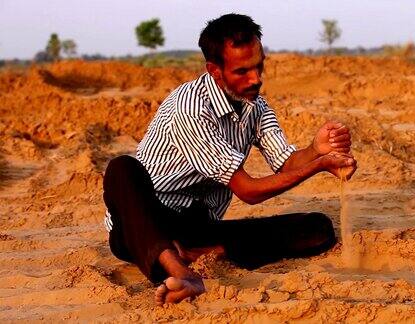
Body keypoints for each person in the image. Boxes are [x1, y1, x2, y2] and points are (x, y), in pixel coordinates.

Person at [102, 13, 357, 306]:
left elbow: (285, 163)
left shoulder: (255, 107)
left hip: (197, 226)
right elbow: (248, 191)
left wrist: (316, 150)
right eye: (242, 71)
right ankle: (182, 273)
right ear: (215, 71)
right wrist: (319, 166)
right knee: (121, 168)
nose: (256, 79)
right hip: (143, 223)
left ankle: (192, 251)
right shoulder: (192, 107)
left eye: (259, 66)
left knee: (317, 229)